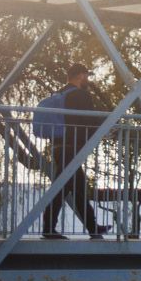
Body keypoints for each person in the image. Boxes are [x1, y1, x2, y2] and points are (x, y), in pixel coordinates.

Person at [42, 65, 106, 240]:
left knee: (75, 188)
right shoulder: (81, 95)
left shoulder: (58, 95)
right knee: (62, 189)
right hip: (72, 147)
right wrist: (108, 122)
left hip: (57, 146)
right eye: (86, 75)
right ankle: (48, 228)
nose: (87, 79)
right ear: (80, 76)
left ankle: (93, 228)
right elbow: (90, 120)